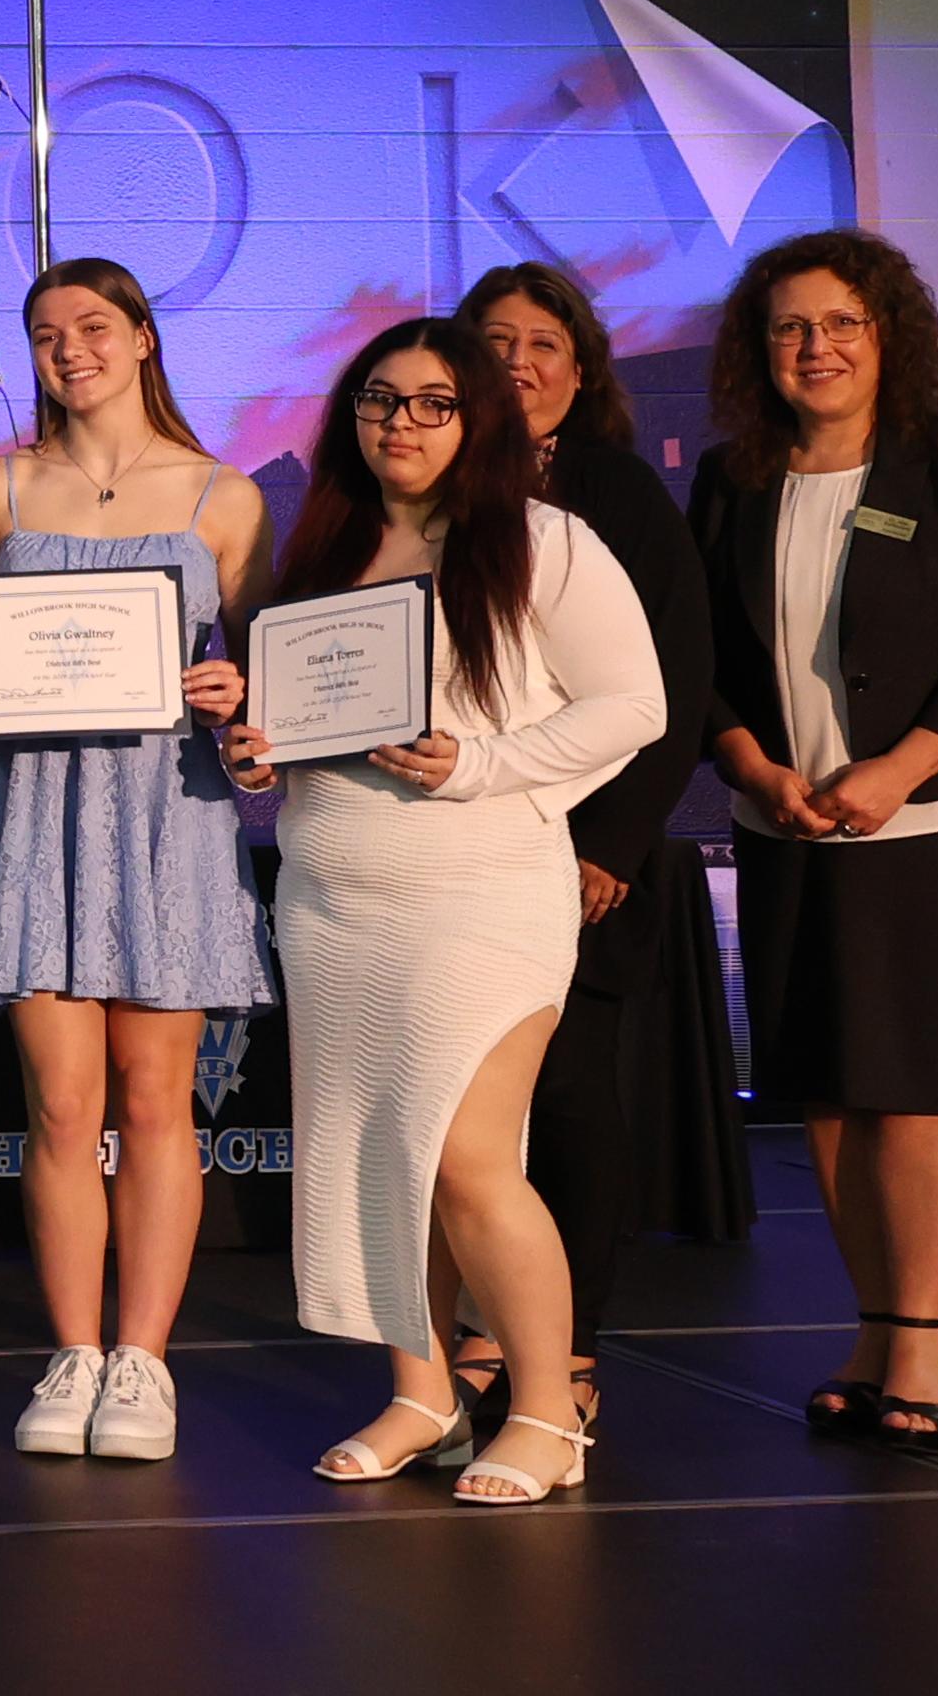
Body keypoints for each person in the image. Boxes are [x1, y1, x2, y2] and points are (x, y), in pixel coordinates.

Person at [223, 320, 661, 1506]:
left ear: (477, 418)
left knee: (468, 1160)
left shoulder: (542, 541)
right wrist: (256, 755)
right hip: (332, 898)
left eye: (431, 402)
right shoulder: (323, 550)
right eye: (378, 400)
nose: (399, 424)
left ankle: (545, 1411)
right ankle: (421, 1395)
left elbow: (634, 704)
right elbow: (299, 729)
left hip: (479, 893)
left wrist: (478, 763)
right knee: (381, 1159)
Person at [686, 229, 938, 1455]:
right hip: (784, 822)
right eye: (789, 327)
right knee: (831, 1092)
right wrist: (749, 765)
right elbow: (697, 657)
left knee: (918, 1088)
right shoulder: (731, 478)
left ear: (886, 334)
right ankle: (871, 1329)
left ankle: (924, 1341)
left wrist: (896, 769)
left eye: (840, 322)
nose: (816, 347)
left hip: (934, 822)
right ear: (758, 349)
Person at [0, 256, 267, 1463]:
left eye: (90, 326)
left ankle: (143, 1361)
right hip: (36, 812)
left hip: (167, 814)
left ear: (140, 338)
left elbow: (257, 681)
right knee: (60, 1107)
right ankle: (71, 1352)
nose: (67, 348)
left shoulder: (222, 496)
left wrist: (235, 693)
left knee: (154, 1101)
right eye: (43, 332)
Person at [449, 261, 728, 1441]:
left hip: (581, 858)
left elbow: (673, 681)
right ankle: (476, 1332)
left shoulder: (613, 487)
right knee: (467, 1109)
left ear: (579, 370)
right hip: (454, 850)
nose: (516, 364)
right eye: (493, 341)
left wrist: (609, 845)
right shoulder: (429, 484)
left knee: (565, 1097)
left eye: (542, 345)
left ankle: (561, 1353)